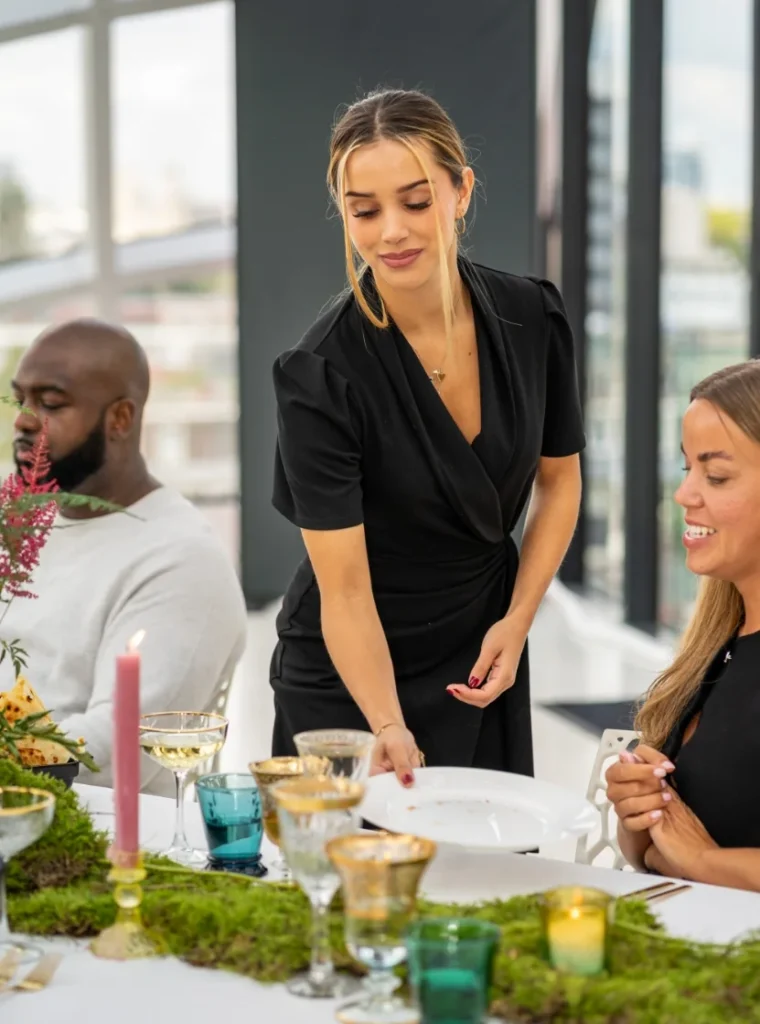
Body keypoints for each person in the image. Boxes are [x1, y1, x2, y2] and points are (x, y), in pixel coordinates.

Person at [270, 88, 583, 784]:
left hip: (481, 649)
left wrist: (518, 618)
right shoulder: (320, 374)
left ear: (461, 190)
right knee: (352, 887)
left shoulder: (535, 318)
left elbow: (560, 482)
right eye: (365, 210)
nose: (391, 232)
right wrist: (384, 723)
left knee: (485, 886)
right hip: (350, 678)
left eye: (415, 201)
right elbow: (345, 592)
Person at [4, 318, 248, 793]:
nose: (24, 420)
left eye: (51, 403)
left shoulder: (181, 562)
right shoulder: (21, 521)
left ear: (120, 419)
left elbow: (111, 753)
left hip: (92, 835)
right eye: (22, 400)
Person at [607, 360, 760, 890]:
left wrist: (703, 863)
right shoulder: (720, 647)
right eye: (686, 469)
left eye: (715, 475)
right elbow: (655, 852)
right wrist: (641, 817)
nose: (685, 494)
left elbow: (697, 856)